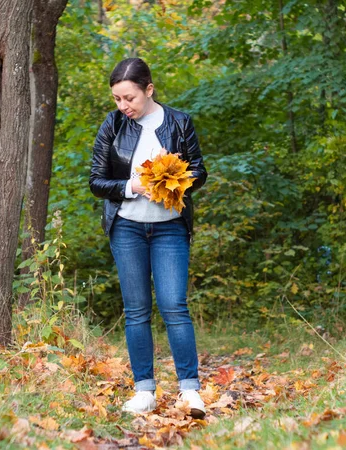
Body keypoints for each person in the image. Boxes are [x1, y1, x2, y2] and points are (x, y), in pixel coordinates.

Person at [89, 58, 208, 418]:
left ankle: (191, 392)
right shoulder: (111, 126)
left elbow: (200, 171)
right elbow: (96, 181)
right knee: (137, 310)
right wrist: (132, 186)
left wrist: (177, 180)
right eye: (117, 99)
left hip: (170, 227)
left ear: (149, 90)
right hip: (127, 228)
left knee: (174, 305)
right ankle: (144, 392)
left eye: (129, 98)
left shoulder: (179, 122)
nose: (123, 106)